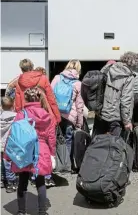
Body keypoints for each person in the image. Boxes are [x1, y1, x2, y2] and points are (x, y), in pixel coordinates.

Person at [11, 87, 56, 215]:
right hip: (41, 149)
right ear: (40, 98)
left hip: (24, 150)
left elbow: (14, 134)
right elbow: (51, 137)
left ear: (25, 99)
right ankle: (42, 211)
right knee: (40, 182)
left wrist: (9, 155)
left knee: (23, 181)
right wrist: (52, 153)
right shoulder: (47, 115)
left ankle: (21, 211)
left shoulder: (21, 114)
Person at [92, 52, 138, 137]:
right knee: (114, 146)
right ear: (133, 65)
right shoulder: (128, 77)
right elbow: (125, 101)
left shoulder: (108, 69)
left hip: (101, 113)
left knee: (97, 143)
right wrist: (127, 122)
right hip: (116, 117)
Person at [51, 60, 84, 160]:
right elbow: (79, 105)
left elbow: (50, 96)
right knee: (68, 139)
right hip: (70, 115)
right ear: (79, 69)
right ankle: (66, 163)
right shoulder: (78, 83)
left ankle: (55, 163)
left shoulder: (57, 78)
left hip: (55, 114)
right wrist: (79, 123)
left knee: (54, 139)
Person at [0, 97, 17, 193]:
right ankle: (10, 183)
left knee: (1, 163)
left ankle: (2, 180)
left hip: (0, 143)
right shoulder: (16, 117)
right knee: (9, 163)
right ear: (12, 105)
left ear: (1, 106)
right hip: (10, 143)